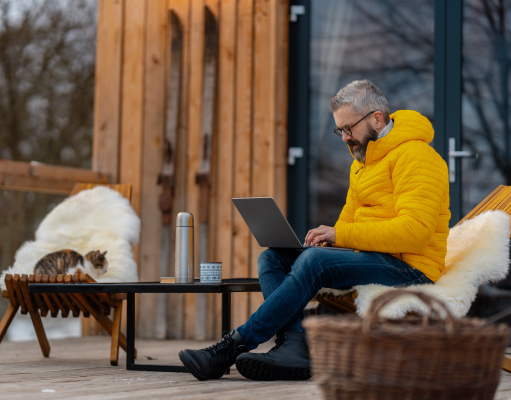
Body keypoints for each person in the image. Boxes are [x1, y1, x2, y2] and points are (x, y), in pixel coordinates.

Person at [179, 79, 451, 381]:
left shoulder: (418, 157)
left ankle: (230, 348)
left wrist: (339, 237)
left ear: (377, 118)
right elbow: (348, 222)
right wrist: (329, 240)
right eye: (340, 131)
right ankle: (293, 345)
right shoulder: (363, 163)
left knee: (313, 262)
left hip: (411, 268)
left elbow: (416, 232)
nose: (345, 138)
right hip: (375, 257)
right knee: (274, 258)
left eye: (349, 128)